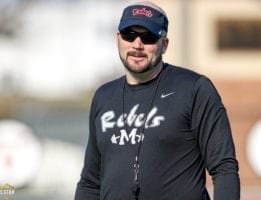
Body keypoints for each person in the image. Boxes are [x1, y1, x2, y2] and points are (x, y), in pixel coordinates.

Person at [75, 1, 240, 200]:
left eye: (148, 37)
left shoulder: (194, 89)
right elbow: (91, 181)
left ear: (164, 44)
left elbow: (224, 167)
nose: (137, 44)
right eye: (129, 35)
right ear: (118, 38)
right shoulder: (104, 96)